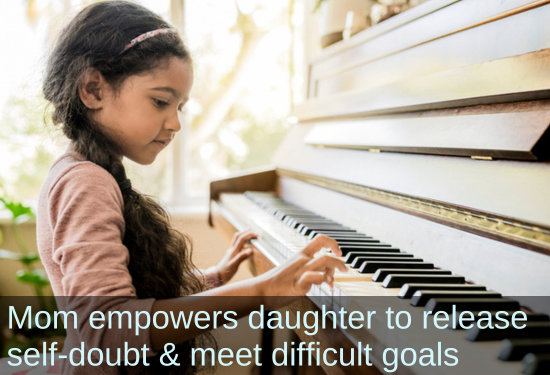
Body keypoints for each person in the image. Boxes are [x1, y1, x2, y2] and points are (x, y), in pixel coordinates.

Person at [38, 1, 347, 373]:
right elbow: (107, 330)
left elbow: (130, 293)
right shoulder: (87, 183)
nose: (175, 123)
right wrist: (262, 291)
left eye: (180, 107)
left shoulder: (84, 172)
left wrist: (214, 277)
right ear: (93, 89)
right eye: (160, 102)